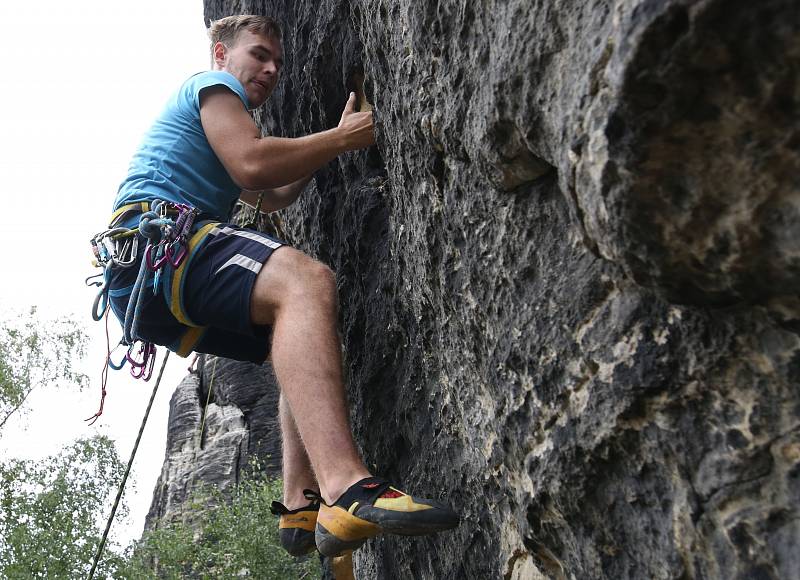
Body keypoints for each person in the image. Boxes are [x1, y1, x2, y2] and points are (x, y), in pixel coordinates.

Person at [105, 15, 458, 558]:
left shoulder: (224, 122)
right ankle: (347, 488)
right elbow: (252, 165)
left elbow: (272, 195)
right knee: (305, 282)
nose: (270, 69)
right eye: (259, 54)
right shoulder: (212, 87)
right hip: (163, 242)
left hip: (145, 279)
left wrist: (336, 144)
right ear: (221, 54)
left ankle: (302, 506)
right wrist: (342, 135)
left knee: (293, 332)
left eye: (277, 63)